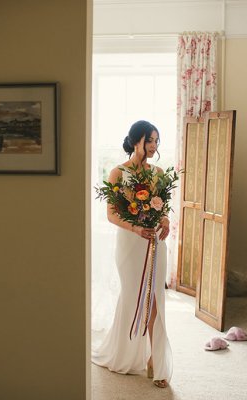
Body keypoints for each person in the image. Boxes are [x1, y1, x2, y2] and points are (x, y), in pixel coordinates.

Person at [92, 120, 173, 388]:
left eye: (156, 141)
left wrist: (165, 222)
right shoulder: (118, 173)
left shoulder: (159, 173)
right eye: (150, 140)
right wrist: (136, 227)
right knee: (133, 297)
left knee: (156, 299)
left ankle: (155, 360)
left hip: (155, 243)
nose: (154, 146)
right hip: (130, 243)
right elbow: (111, 214)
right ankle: (125, 352)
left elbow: (162, 210)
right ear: (136, 140)